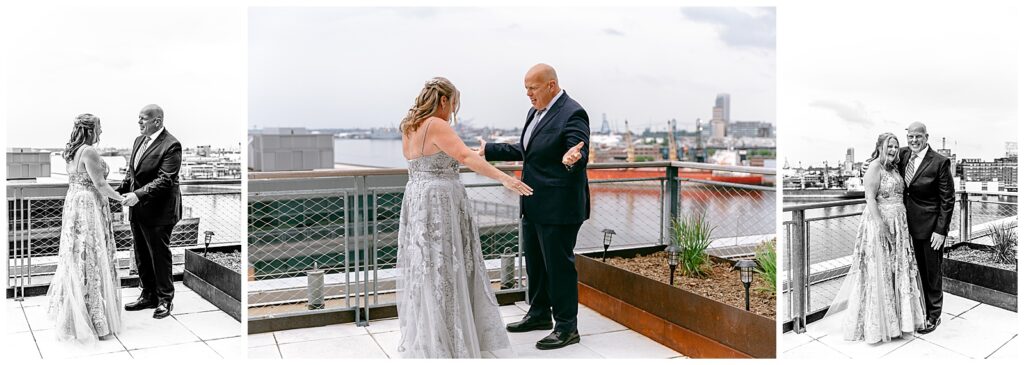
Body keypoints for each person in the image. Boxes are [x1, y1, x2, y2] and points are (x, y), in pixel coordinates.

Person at [395, 77, 531, 358]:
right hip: (440, 203)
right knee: (447, 266)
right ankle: (450, 338)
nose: (452, 111)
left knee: (428, 270)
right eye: (453, 104)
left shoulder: (408, 127)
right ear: (443, 100)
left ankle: (434, 335)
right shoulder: (436, 124)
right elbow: (465, 157)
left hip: (417, 200)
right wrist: (506, 179)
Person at [479, 63, 590, 350]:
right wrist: (490, 150)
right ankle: (539, 314)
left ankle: (567, 327)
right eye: (526, 88)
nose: (528, 94)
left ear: (551, 85)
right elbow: (529, 151)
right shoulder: (535, 112)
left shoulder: (572, 112)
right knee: (537, 265)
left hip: (559, 207)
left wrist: (572, 158)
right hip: (533, 203)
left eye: (532, 88)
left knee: (559, 267)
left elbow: (578, 149)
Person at [827, 132, 926, 343]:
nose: (892, 150)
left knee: (896, 270)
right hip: (881, 223)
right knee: (879, 271)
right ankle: (878, 325)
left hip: (900, 224)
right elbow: (869, 198)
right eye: (889, 146)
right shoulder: (874, 167)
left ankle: (900, 321)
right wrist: (881, 225)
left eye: (895, 146)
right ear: (880, 147)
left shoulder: (895, 167)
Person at [47, 113, 124, 342]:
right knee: (90, 254)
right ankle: (92, 316)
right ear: (90, 130)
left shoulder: (71, 151)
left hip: (74, 203)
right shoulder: (88, 151)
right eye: (99, 128)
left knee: (77, 255)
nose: (101, 132)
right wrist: (121, 199)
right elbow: (100, 184)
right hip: (87, 205)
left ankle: (75, 313)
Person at [117, 104, 183, 319]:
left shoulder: (172, 145)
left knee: (159, 255)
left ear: (157, 121)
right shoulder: (138, 141)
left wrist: (137, 195)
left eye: (143, 118)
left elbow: (165, 180)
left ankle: (165, 299)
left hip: (160, 211)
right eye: (138, 118)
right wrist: (116, 192)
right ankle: (147, 295)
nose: (139, 122)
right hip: (138, 210)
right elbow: (132, 175)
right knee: (141, 254)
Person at [899, 122, 955, 334]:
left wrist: (941, 231)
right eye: (910, 137)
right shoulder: (903, 154)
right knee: (910, 271)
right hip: (904, 226)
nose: (914, 140)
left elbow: (947, 199)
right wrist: (868, 165)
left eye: (918, 137)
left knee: (931, 272)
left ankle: (934, 315)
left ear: (926, 136)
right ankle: (916, 308)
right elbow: (881, 154)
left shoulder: (940, 162)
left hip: (930, 228)